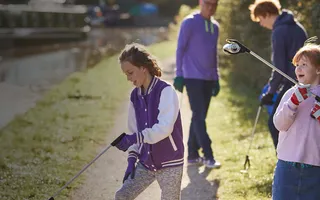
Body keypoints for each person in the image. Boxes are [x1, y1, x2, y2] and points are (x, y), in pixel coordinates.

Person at [114, 43, 184, 200]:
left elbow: (165, 128)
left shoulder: (166, 91)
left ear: (143, 68)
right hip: (146, 162)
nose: (128, 78)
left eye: (130, 73)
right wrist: (132, 157)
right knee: (122, 196)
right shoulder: (134, 96)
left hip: (170, 162)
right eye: (126, 75)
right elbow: (133, 131)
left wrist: (136, 137)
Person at [249, 0, 307, 149]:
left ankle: (283, 161)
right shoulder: (299, 27)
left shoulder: (279, 32)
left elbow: (279, 67)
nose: (261, 24)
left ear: (267, 14)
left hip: (291, 83)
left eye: (260, 19)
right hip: (308, 83)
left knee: (274, 123)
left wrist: (271, 92)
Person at [173, 0, 221, 168]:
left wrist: (216, 78)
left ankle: (192, 154)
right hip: (192, 77)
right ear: (201, 2)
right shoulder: (189, 22)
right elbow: (180, 49)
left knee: (199, 117)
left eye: (214, 4)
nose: (211, 7)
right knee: (199, 116)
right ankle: (209, 156)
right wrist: (179, 74)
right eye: (208, 3)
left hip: (208, 79)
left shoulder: (215, 27)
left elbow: (214, 54)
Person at [272, 43, 320, 199]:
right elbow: (279, 124)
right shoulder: (291, 93)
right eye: (297, 65)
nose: (298, 69)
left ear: (318, 69)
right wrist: (293, 103)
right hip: (287, 166)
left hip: (315, 168)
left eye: (304, 65)